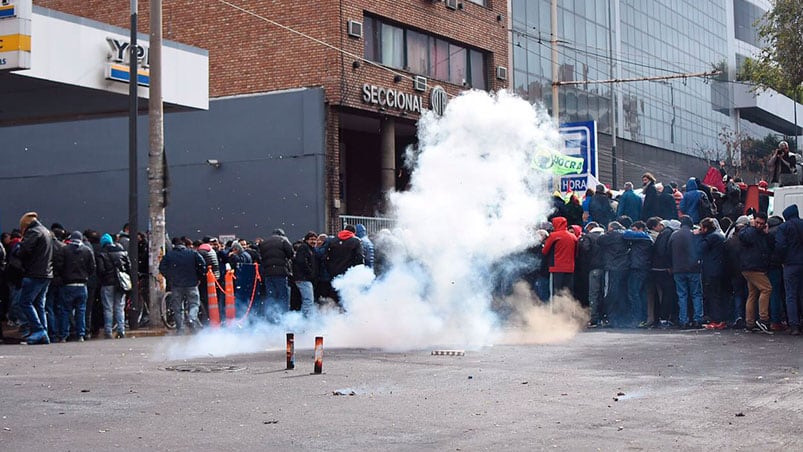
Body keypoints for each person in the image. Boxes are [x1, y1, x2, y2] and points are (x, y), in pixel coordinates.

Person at [15, 212, 55, 345]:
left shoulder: (33, 232)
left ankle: (39, 331)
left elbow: (23, 251)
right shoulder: (46, 232)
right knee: (39, 304)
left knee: (24, 302)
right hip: (46, 274)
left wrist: (18, 248)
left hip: (34, 274)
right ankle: (44, 333)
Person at [54, 231, 96, 342]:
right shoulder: (87, 251)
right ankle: (80, 334)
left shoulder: (64, 250)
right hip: (82, 285)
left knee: (65, 310)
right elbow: (92, 268)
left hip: (68, 284)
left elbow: (58, 266)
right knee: (81, 310)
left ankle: (64, 335)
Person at [160, 237, 206, 334]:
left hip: (176, 284)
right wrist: (199, 278)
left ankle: (180, 328)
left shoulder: (169, 255)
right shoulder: (192, 253)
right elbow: (202, 265)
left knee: (177, 307)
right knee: (194, 303)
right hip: (192, 283)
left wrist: (170, 277)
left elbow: (162, 267)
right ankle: (192, 317)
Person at [739, 212, 773, 334]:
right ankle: (763, 319)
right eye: (757, 222)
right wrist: (752, 227)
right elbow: (745, 237)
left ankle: (750, 322)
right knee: (767, 289)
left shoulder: (759, 233)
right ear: (754, 221)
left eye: (761, 224)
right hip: (754, 267)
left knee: (752, 294)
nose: (759, 225)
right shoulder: (749, 231)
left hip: (750, 266)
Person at [669, 216, 704, 329]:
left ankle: (683, 320)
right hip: (693, 269)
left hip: (678, 269)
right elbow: (700, 250)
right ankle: (697, 319)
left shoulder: (674, 235)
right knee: (696, 294)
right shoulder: (694, 235)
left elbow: (668, 251)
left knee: (682, 295)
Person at [96, 233, 131, 339]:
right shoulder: (122, 250)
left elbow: (101, 270)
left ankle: (108, 330)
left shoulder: (102, 253)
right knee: (120, 307)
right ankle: (121, 330)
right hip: (120, 283)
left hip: (107, 283)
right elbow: (128, 266)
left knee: (108, 307)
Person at [775, 204, 803, 335]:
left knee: (791, 295)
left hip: (790, 264)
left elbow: (780, 246)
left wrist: (782, 260)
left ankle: (794, 325)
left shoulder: (784, 227)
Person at [257, 228, 294, 322]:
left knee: (271, 295)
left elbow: (260, 256)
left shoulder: (264, 243)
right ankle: (283, 317)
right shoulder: (283, 240)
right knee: (283, 295)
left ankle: (270, 318)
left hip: (268, 273)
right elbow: (291, 253)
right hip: (281, 272)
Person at [698, 218, 728, 329]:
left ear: (705, 228)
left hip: (712, 270)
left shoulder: (711, 237)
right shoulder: (719, 235)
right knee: (718, 295)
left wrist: (699, 235)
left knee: (713, 295)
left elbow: (700, 249)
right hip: (719, 269)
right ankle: (720, 319)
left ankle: (717, 320)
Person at [325, 224, 365, 305]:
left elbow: (326, 256)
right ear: (354, 232)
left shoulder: (332, 241)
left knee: (335, 296)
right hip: (348, 274)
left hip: (333, 273)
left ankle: (333, 315)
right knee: (348, 297)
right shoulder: (356, 241)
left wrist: (329, 269)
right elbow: (359, 257)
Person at [598, 221, 628, 327]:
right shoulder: (626, 234)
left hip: (612, 267)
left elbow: (599, 240)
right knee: (622, 292)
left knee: (610, 292)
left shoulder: (610, 235)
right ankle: (623, 319)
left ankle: (611, 318)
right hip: (624, 267)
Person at [624, 221, 653, 327]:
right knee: (641, 294)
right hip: (643, 268)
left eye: (634, 230)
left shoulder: (644, 236)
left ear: (640, 229)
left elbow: (626, 234)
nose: (633, 232)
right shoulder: (645, 238)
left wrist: (621, 229)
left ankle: (637, 319)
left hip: (638, 268)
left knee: (634, 293)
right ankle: (643, 319)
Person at [541, 216, 578, 297]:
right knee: (567, 293)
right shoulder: (573, 236)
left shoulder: (554, 236)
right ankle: (568, 308)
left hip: (556, 268)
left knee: (555, 293)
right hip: (570, 268)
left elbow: (544, 251)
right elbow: (576, 253)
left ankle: (555, 309)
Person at [292, 231, 318, 318]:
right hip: (303, 278)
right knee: (308, 300)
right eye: (311, 239)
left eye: (315, 239)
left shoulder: (310, 249)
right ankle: (306, 321)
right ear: (306, 240)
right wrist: (310, 272)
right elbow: (301, 262)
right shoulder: (304, 248)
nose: (313, 241)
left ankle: (305, 320)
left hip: (304, 278)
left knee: (306, 300)